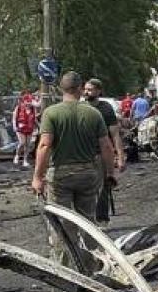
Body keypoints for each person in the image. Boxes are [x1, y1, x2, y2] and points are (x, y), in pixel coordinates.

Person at [31, 72, 116, 227]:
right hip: (88, 173)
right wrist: (110, 173)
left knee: (61, 220)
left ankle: (65, 250)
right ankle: (88, 249)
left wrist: (38, 177)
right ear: (80, 89)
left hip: (60, 173)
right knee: (88, 220)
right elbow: (107, 146)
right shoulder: (94, 113)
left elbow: (45, 145)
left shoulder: (51, 113)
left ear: (61, 89)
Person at [83, 78, 125, 225]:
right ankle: (87, 220)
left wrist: (120, 156)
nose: (86, 92)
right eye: (85, 89)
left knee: (103, 187)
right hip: (83, 153)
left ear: (98, 91)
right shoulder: (81, 107)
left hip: (102, 153)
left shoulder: (105, 108)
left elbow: (114, 134)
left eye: (90, 89)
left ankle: (101, 220)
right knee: (84, 188)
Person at [12, 91, 38, 168]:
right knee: (22, 142)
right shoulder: (19, 107)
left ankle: (25, 160)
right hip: (20, 128)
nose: (29, 103)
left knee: (28, 144)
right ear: (24, 101)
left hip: (29, 128)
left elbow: (34, 119)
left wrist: (39, 126)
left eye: (30, 102)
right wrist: (14, 127)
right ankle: (17, 156)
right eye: (27, 101)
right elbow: (14, 118)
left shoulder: (33, 109)